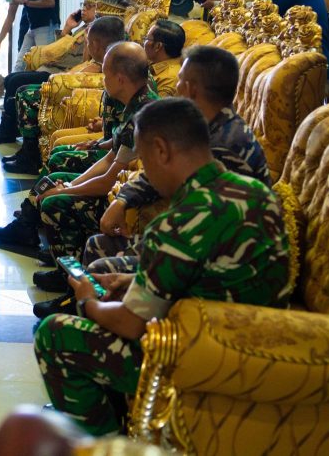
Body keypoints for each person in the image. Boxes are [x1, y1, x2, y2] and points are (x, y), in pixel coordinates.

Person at [34, 97, 291, 436]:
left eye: (143, 159)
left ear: (161, 150)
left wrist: (87, 300)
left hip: (197, 359)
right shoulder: (257, 192)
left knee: (53, 333)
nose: (146, 174)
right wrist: (130, 279)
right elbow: (209, 274)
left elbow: (129, 324)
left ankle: (103, 439)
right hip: (265, 347)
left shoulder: (177, 225)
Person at [87, 45, 271, 275]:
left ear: (191, 89)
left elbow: (202, 219)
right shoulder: (204, 126)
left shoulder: (227, 143)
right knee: (99, 243)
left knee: (101, 261)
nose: (175, 86)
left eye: (180, 79)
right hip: (195, 239)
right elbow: (159, 170)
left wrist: (150, 241)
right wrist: (123, 200)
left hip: (217, 259)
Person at [27, 43, 158, 318]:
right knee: (57, 179)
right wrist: (70, 185)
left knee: (56, 203)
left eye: (106, 74)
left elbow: (109, 181)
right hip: (117, 187)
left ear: (120, 78)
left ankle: (71, 289)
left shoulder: (144, 114)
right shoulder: (134, 102)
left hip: (126, 201)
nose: (103, 80)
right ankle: (62, 267)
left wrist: (67, 192)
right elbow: (110, 157)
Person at [0, 0, 116, 143]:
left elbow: (83, 61)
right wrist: (68, 28)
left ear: (100, 10)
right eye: (83, 5)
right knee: (12, 78)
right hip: (55, 69)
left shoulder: (97, 33)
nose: (84, 9)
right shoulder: (82, 29)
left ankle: (8, 131)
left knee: (16, 81)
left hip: (62, 74)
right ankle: (8, 129)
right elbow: (60, 49)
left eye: (90, 7)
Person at [0, 15, 126, 175]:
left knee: (26, 93)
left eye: (89, 42)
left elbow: (122, 137)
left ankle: (31, 160)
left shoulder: (114, 72)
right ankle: (27, 152)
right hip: (67, 81)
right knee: (17, 84)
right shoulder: (88, 37)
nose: (87, 44)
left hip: (70, 86)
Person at [142, 19, 185, 98]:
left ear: (157, 46)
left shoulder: (169, 79)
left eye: (146, 38)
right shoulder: (156, 61)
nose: (143, 42)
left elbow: (154, 108)